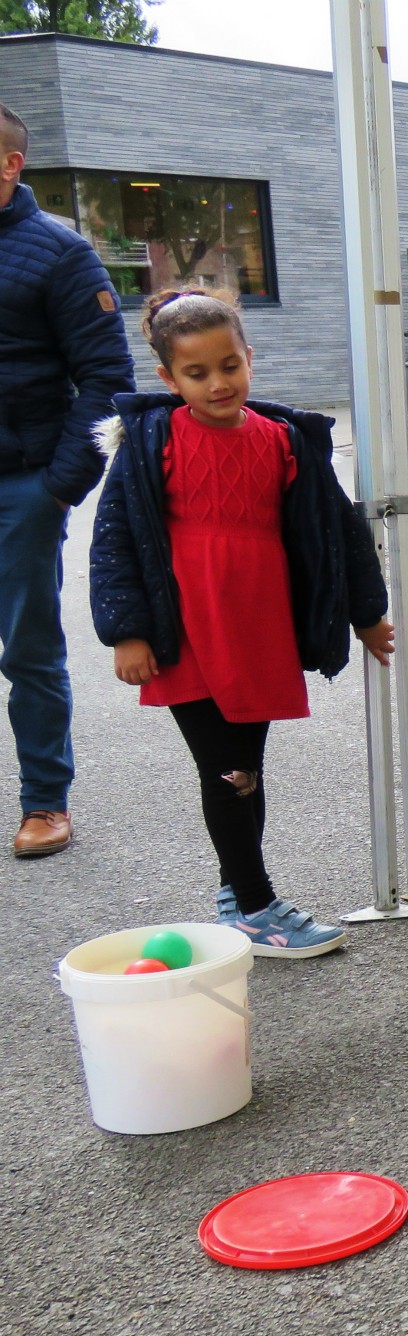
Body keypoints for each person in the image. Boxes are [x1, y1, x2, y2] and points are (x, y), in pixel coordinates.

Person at [88, 289, 392, 957]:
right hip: (188, 632)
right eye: (197, 373)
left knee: (244, 766)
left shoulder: (284, 440)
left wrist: (367, 615)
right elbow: (114, 538)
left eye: (230, 365)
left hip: (257, 628)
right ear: (168, 379)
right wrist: (127, 630)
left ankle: (238, 891)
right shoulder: (151, 442)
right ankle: (254, 907)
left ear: (249, 358)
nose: (218, 383)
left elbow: (336, 533)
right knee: (227, 769)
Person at [0, 100, 136, 859]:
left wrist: (58, 486)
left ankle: (44, 801)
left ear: (11, 163)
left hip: (23, 485)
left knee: (26, 648)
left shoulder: (60, 254)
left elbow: (105, 378)